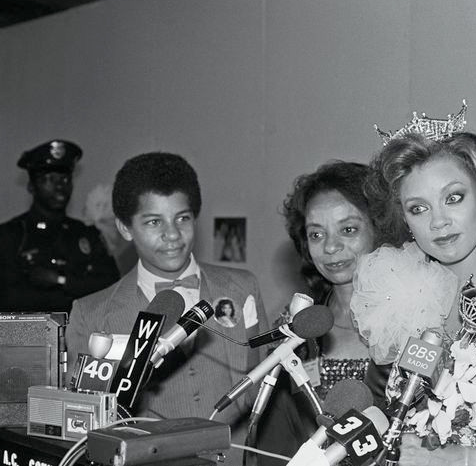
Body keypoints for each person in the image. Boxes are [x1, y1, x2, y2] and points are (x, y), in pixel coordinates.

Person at [355, 111, 476, 465]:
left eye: (453, 198)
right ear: (405, 220)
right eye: (418, 208)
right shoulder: (401, 302)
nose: (438, 221)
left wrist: (465, 459)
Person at [65, 152, 268, 466]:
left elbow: (260, 389)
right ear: (125, 227)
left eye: (182, 218)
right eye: (153, 222)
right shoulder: (90, 314)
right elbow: (90, 430)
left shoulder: (242, 288)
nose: (172, 234)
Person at [253, 161, 387, 466]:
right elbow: (277, 440)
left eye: (348, 229)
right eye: (316, 234)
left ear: (379, 229)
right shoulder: (297, 328)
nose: (330, 247)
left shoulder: (415, 323)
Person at [0, 140, 119, 313]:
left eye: (65, 178)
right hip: (24, 335)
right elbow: (9, 297)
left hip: (78, 335)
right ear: (31, 187)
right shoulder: (10, 235)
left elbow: (111, 286)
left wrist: (61, 280)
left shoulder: (85, 234)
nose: (59, 186)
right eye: (49, 179)